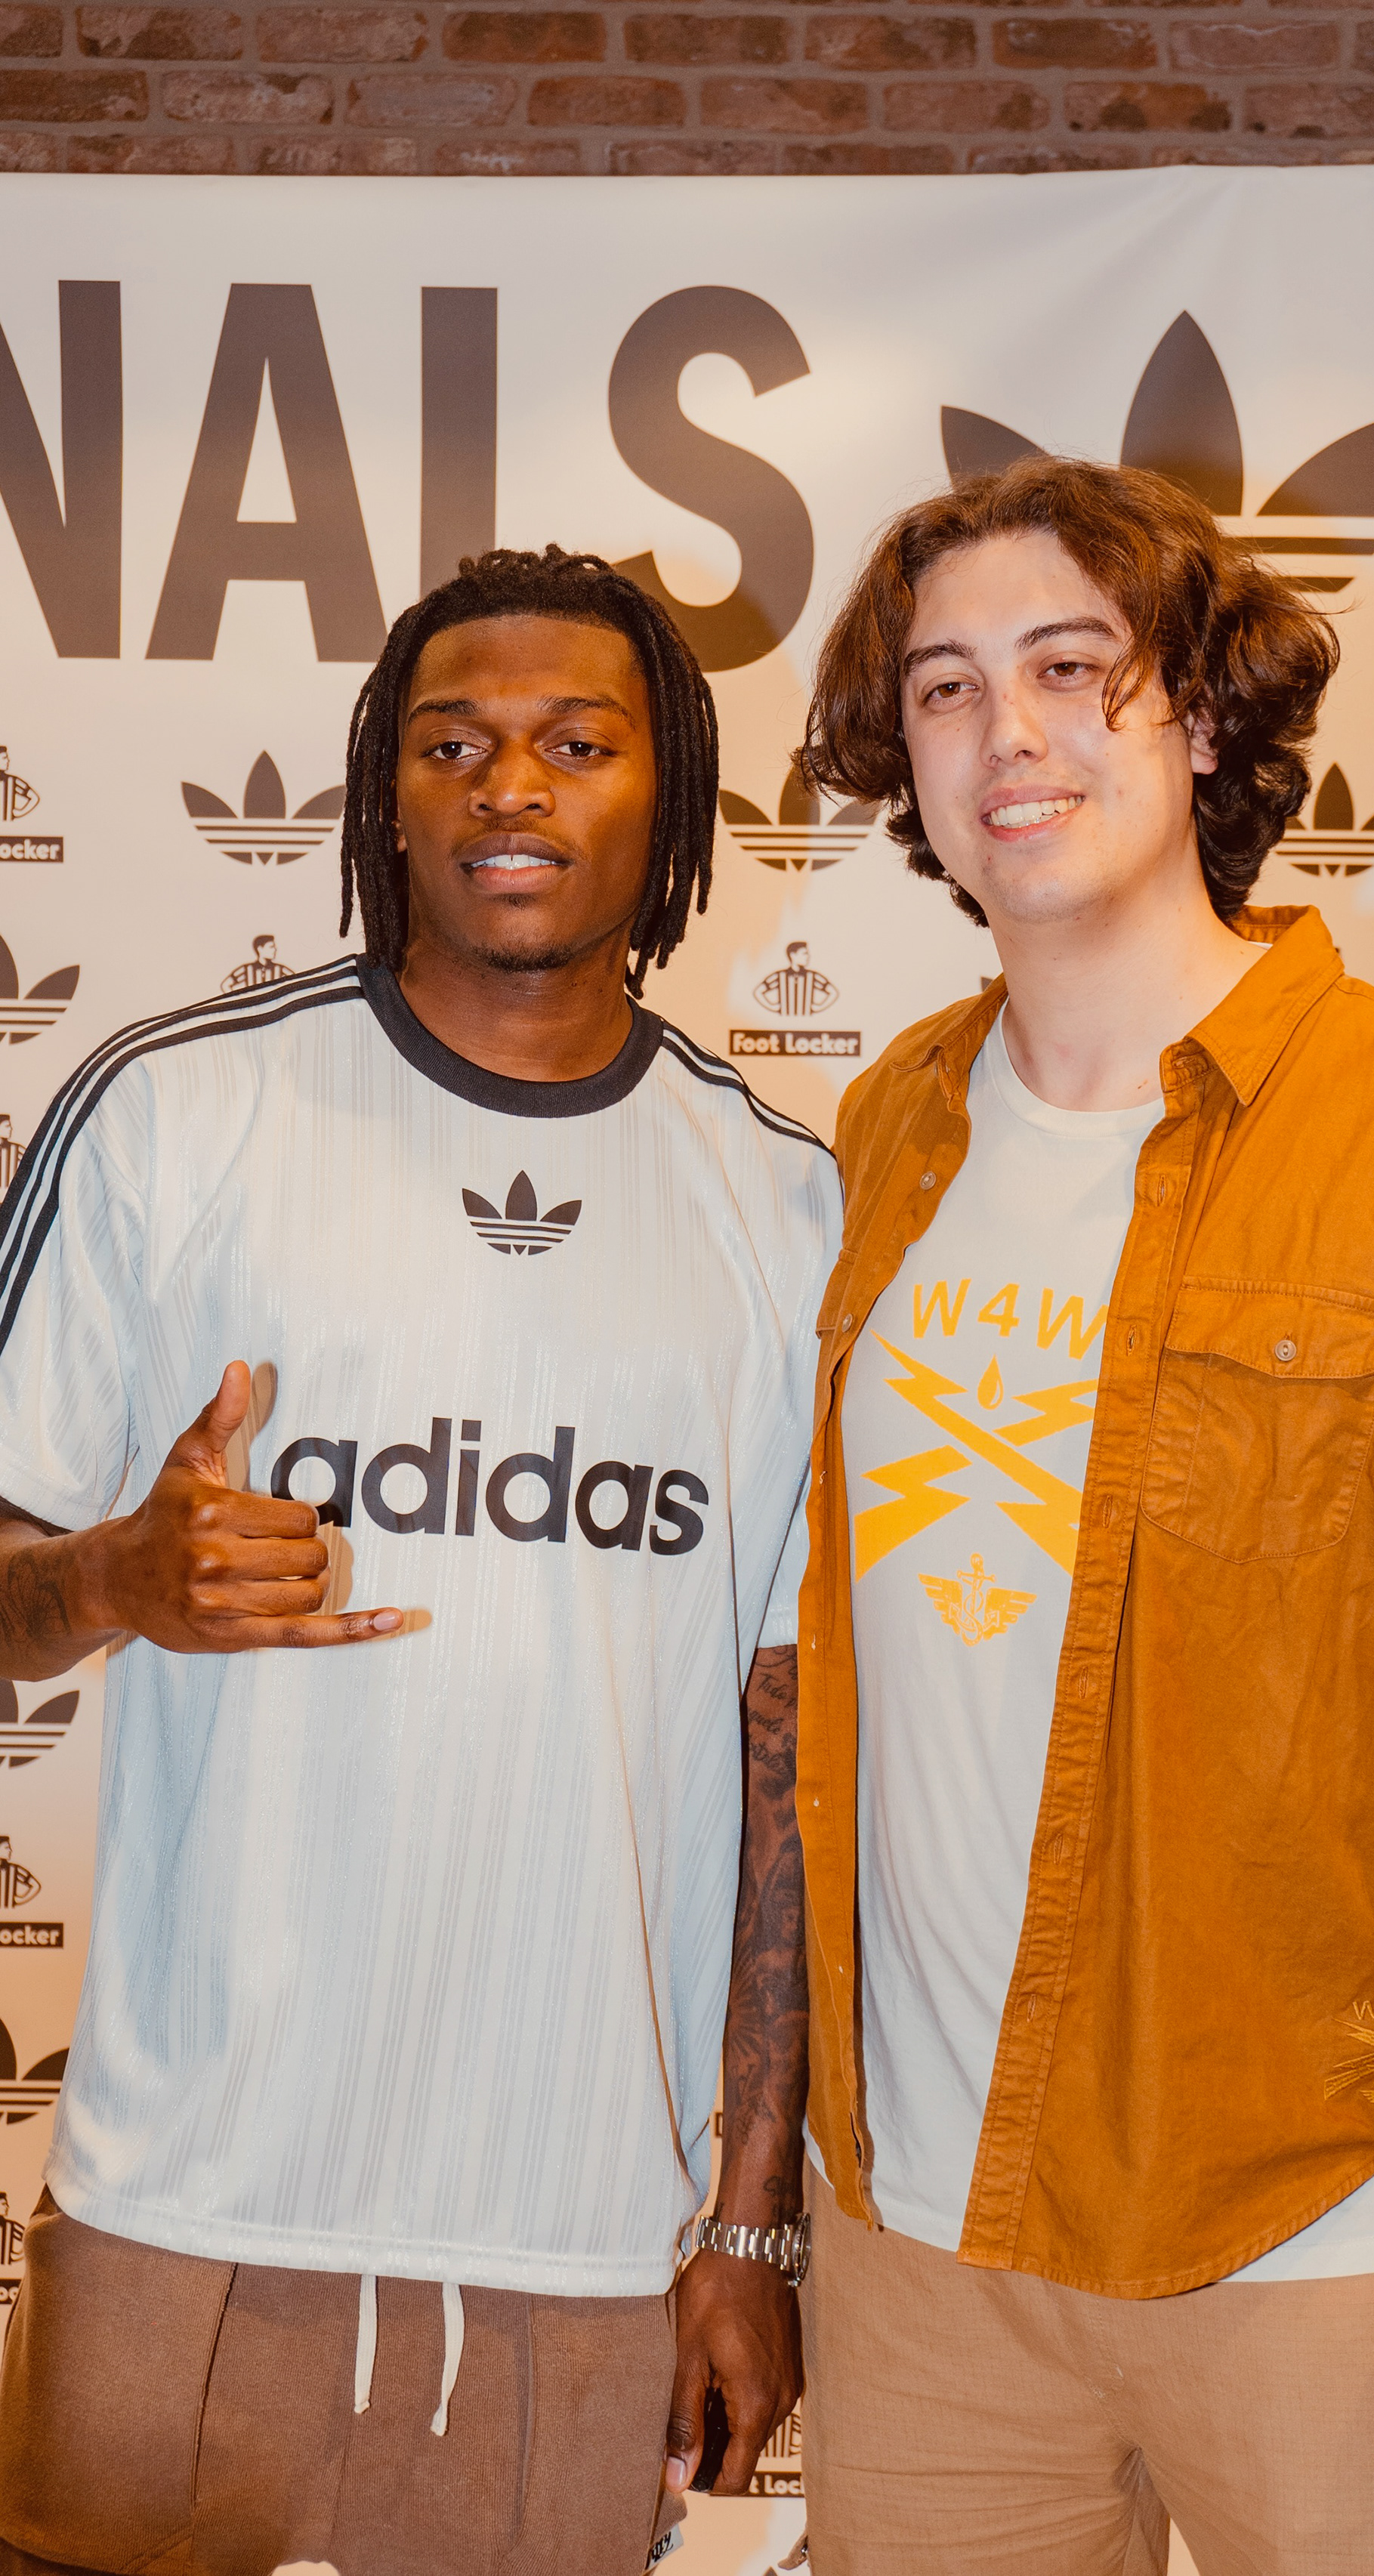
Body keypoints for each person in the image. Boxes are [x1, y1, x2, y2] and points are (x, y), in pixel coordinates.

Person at [0, 546, 836, 2575]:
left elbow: (787, 1758)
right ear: (383, 788)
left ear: (673, 791)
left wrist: (747, 2226)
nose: (510, 787)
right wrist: (113, 1581)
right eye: (452, 744)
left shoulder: (786, 1203)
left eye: (578, 743)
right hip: (186, 2206)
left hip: (582, 2247)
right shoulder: (175, 1109)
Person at [791, 456, 1374, 2572]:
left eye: (1075, 667)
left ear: (1208, 717)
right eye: (947, 687)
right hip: (924, 2236)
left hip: (1328, 2226)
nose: (1010, 731)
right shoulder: (887, 1124)